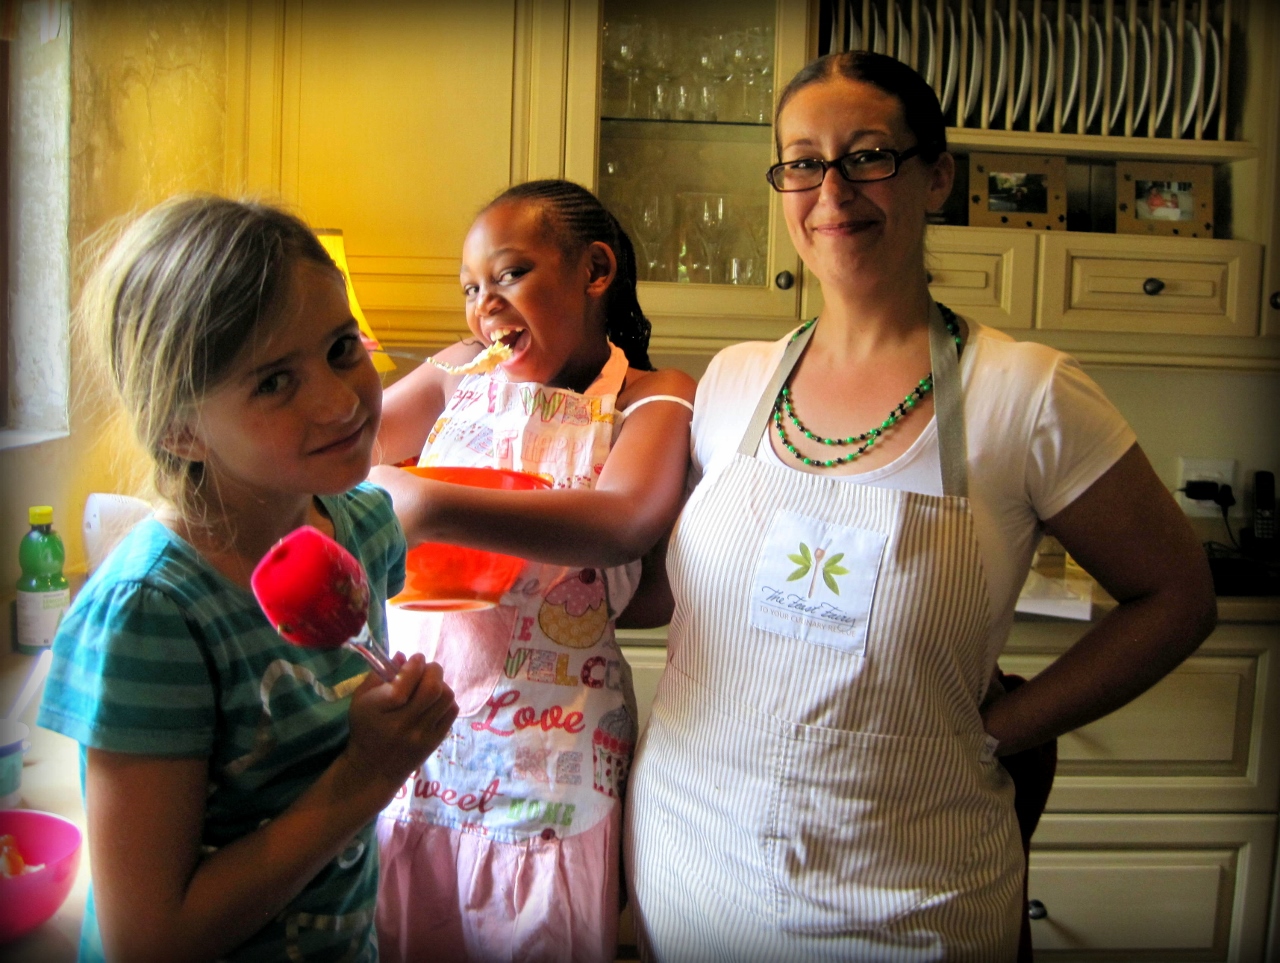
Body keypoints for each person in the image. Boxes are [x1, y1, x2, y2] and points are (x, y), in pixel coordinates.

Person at [624, 51, 1217, 962]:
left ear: (935, 175)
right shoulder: (734, 382)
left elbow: (1179, 596)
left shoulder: (1027, 394)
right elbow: (676, 595)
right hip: (691, 858)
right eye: (801, 160)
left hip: (908, 888)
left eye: (867, 155)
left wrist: (1002, 729)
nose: (832, 190)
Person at [36, 196, 459, 963]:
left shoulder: (358, 525)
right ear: (179, 429)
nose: (339, 401)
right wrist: (367, 773)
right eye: (273, 383)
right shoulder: (154, 612)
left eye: (339, 349)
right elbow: (148, 939)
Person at [368, 179, 696, 963]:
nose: (485, 305)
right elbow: (362, 445)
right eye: (471, 289)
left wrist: (430, 502)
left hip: (554, 763)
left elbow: (624, 522)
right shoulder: (456, 375)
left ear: (595, 269)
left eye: (509, 275)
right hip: (424, 738)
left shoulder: (654, 399)